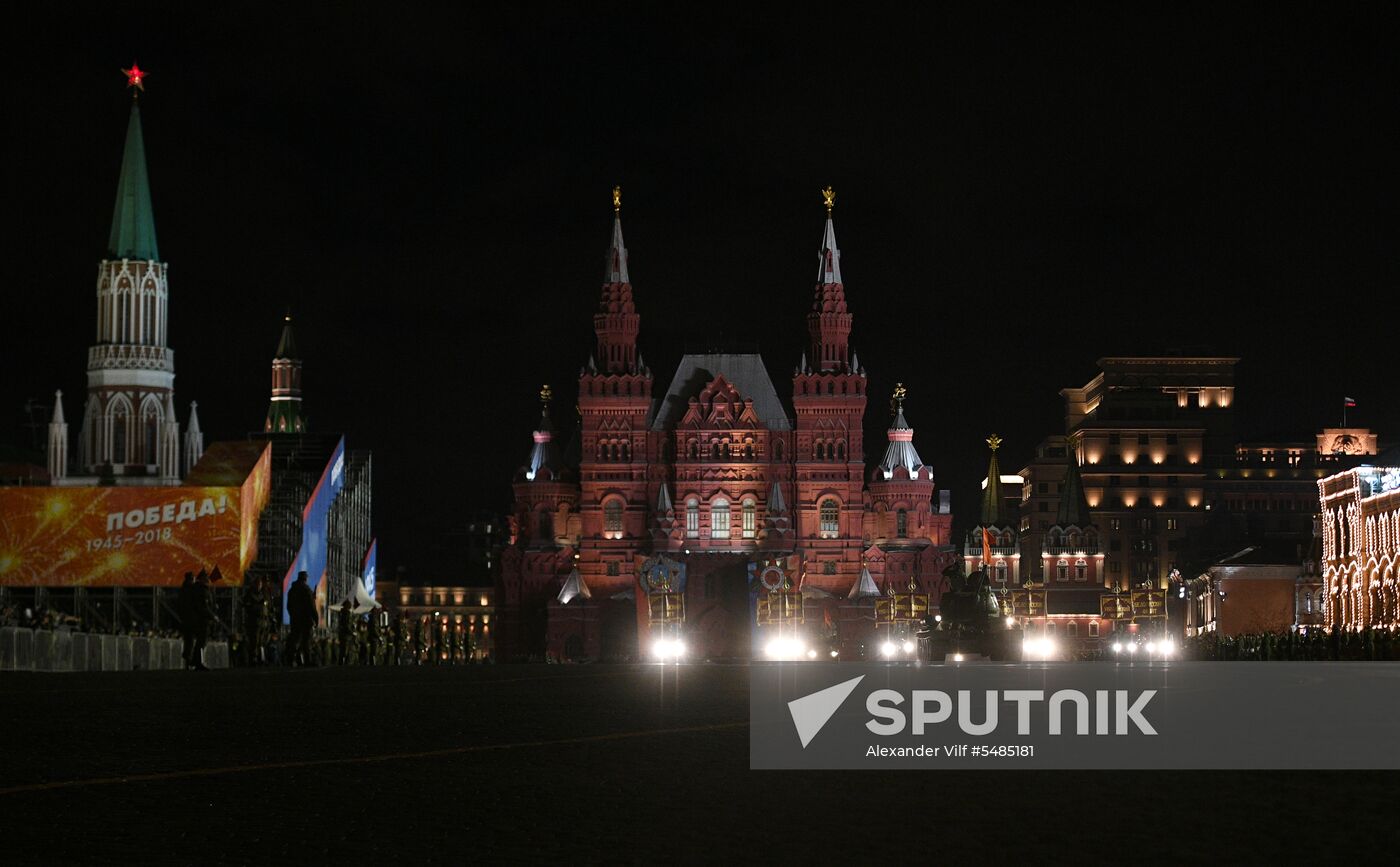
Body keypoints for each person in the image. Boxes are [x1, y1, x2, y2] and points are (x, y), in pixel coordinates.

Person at [286, 571, 316, 667]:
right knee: (306, 641)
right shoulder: (306, 590)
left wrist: (293, 615)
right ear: (305, 579)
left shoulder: (292, 590)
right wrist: (315, 617)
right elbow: (311, 606)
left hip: (295, 619)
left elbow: (289, 606)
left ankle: (291, 660)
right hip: (305, 619)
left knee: (295, 640)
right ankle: (307, 661)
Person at [186, 570, 213, 671]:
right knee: (201, 641)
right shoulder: (201, 590)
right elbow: (203, 606)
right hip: (202, 619)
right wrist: (212, 616)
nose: (208, 579)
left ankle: (196, 661)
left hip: (202, 618)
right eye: (206, 577)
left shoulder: (201, 589)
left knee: (201, 641)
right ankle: (199, 662)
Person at [176, 572, 197, 668]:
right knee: (191, 640)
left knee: (188, 640)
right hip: (190, 618)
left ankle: (187, 659)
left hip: (184, 618)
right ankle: (189, 659)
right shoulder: (191, 590)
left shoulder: (183, 589)